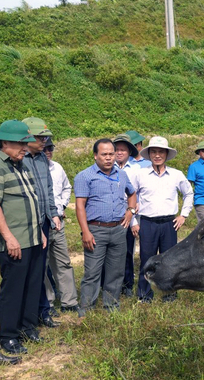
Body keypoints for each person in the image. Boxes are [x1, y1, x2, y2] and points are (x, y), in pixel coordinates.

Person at [0, 120, 44, 355]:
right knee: (13, 289)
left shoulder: (21, 164)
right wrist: (9, 237)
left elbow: (30, 200)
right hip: (13, 241)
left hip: (32, 237)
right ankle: (8, 335)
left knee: (31, 285)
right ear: (5, 142)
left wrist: (39, 230)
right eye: (21, 143)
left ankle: (27, 328)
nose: (25, 148)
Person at [74, 139, 137, 312]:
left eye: (111, 154)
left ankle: (111, 306)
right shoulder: (85, 176)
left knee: (116, 272)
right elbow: (80, 206)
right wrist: (85, 231)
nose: (109, 158)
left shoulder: (121, 174)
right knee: (92, 272)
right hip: (96, 230)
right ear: (95, 156)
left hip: (118, 229)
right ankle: (86, 310)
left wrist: (130, 210)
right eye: (104, 154)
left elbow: (132, 193)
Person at [131, 136, 193, 302]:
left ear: (166, 154)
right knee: (147, 260)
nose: (157, 155)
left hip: (169, 223)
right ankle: (144, 295)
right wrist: (134, 221)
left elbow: (188, 193)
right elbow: (129, 196)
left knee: (169, 261)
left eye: (160, 152)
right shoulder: (140, 174)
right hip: (147, 223)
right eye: (154, 152)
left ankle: (169, 294)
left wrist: (183, 215)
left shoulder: (176, 175)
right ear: (149, 154)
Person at [21, 116, 61, 329]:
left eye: (46, 136)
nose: (44, 140)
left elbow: (47, 190)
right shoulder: (19, 159)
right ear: (27, 137)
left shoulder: (42, 159)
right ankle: (28, 314)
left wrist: (53, 213)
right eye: (40, 136)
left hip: (44, 221)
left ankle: (43, 311)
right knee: (27, 270)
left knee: (39, 268)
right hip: (26, 223)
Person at [43, 138, 83, 315]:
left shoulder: (57, 168)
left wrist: (63, 206)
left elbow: (67, 188)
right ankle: (48, 302)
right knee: (42, 266)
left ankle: (69, 301)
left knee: (63, 262)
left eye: (51, 148)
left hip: (59, 222)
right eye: (45, 148)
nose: (48, 151)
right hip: (42, 223)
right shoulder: (29, 168)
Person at [113, 133, 140, 297]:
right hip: (111, 217)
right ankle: (110, 284)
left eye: (123, 150)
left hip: (130, 217)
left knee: (128, 250)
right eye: (117, 149)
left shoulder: (137, 170)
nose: (119, 153)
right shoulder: (107, 167)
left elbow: (139, 195)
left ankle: (127, 284)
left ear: (129, 152)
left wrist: (134, 219)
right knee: (111, 252)